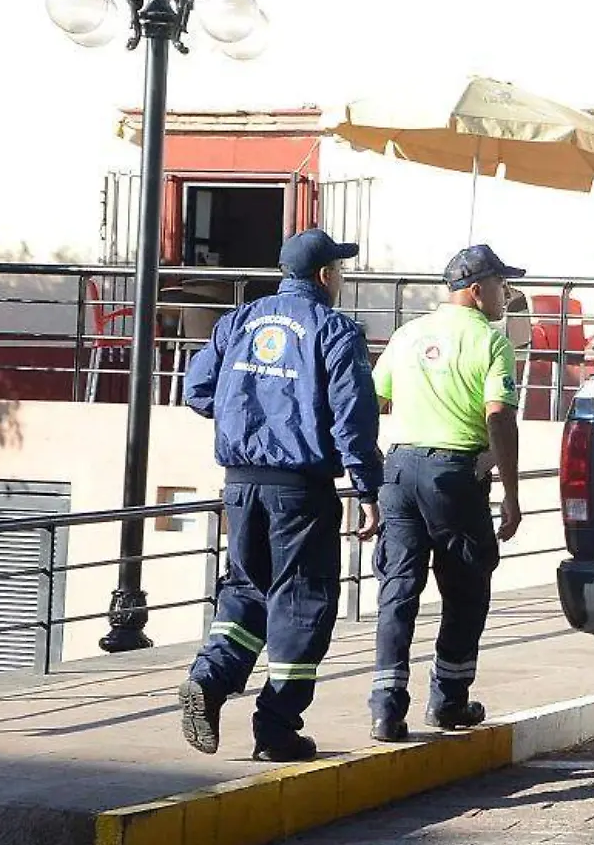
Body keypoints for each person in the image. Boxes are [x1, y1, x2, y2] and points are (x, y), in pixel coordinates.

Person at [177, 228, 383, 762]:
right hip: (301, 489)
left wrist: (250, 408)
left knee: (247, 587)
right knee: (302, 599)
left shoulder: (238, 321)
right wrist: (368, 488)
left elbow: (197, 391)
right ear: (324, 276)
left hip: (240, 484)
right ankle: (276, 726)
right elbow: (353, 419)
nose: (341, 277)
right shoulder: (334, 329)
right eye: (339, 269)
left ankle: (211, 677)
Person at [367, 243, 524, 742]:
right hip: (455, 478)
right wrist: (511, 493)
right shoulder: (491, 341)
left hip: (399, 470)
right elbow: (498, 415)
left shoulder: (408, 333)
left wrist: (373, 470)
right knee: (465, 589)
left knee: (398, 590)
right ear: (477, 291)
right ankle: (448, 700)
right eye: (501, 284)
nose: (507, 294)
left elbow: (370, 400)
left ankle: (386, 710)